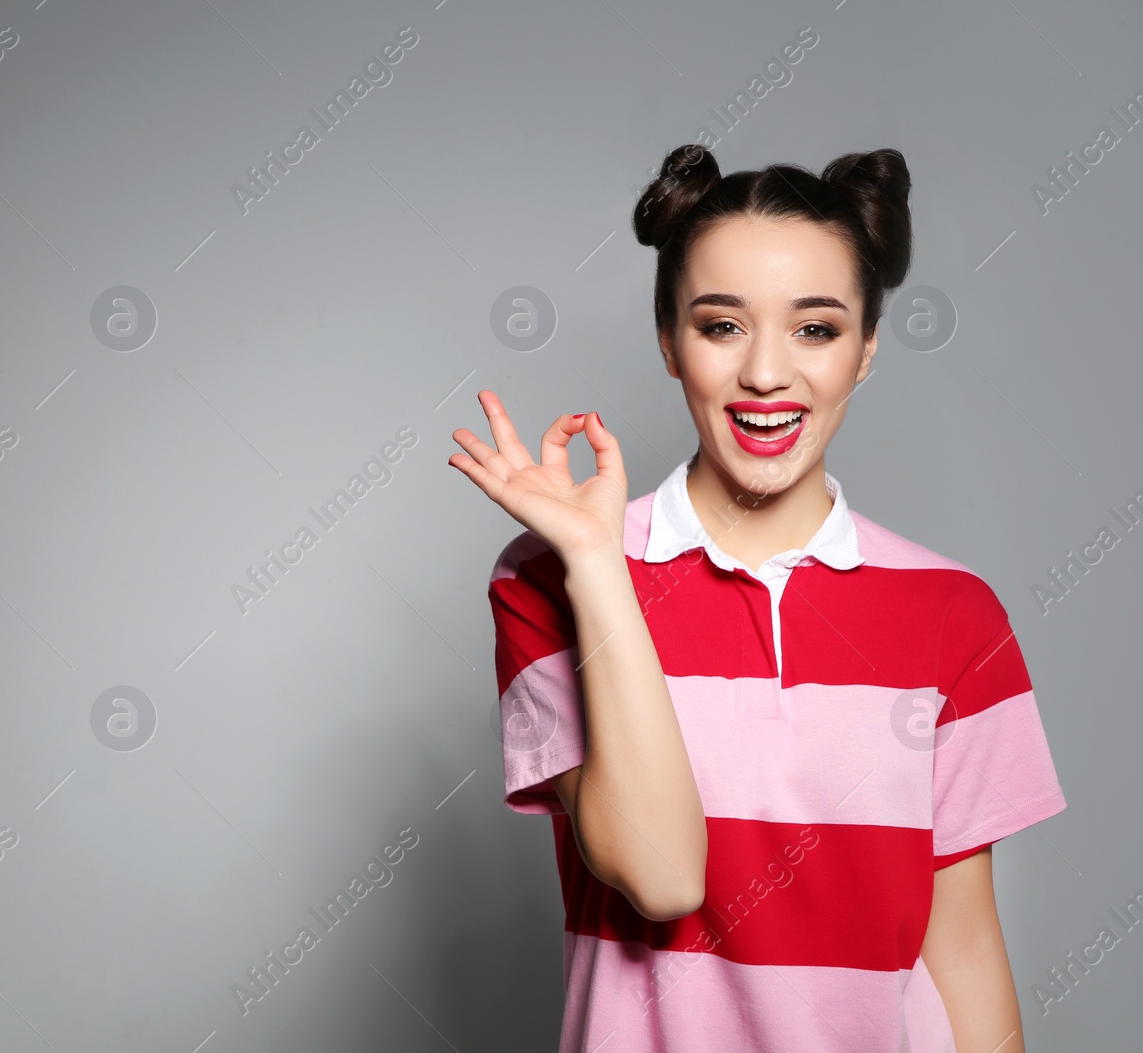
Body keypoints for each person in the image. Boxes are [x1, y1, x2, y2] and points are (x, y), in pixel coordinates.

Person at [449, 144, 1065, 1052]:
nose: (767, 375)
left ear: (865, 351)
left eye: (815, 328)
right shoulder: (549, 578)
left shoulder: (955, 613)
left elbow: (964, 949)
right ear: (668, 339)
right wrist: (594, 559)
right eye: (721, 325)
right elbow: (660, 874)